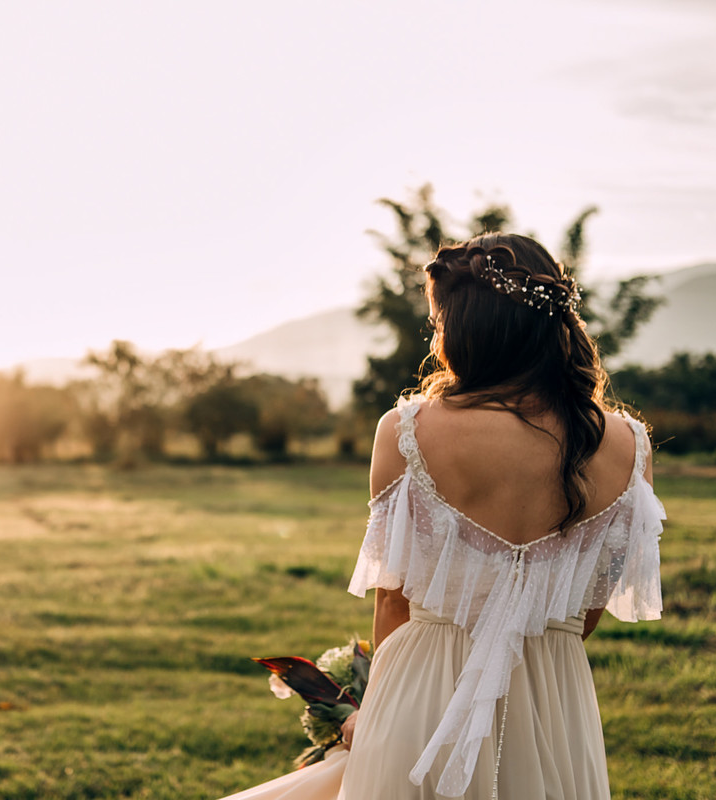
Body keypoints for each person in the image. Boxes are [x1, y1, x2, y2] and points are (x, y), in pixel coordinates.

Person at [221, 233, 665, 800]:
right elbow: (587, 610)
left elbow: (394, 599)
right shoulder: (630, 445)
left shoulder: (406, 431)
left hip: (424, 687)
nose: (436, 337)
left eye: (438, 323)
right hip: (553, 696)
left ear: (470, 329)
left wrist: (375, 709)